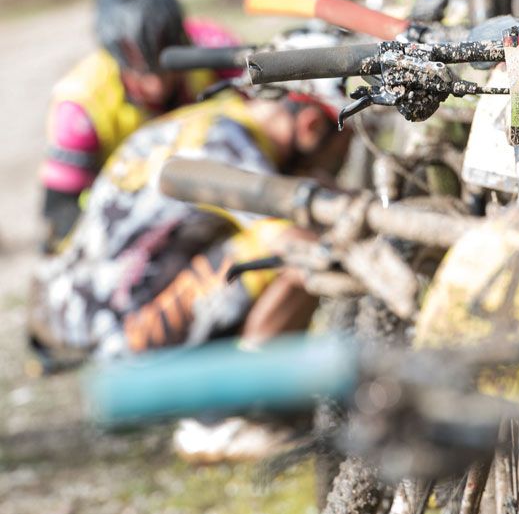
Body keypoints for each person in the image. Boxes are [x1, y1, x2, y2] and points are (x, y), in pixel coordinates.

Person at [30, 86, 351, 364]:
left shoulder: (219, 116)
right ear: (310, 127)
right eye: (338, 157)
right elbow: (292, 240)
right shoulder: (230, 148)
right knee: (303, 254)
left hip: (72, 309)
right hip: (114, 334)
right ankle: (245, 416)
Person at [41, 0, 239, 251]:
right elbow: (59, 214)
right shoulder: (80, 102)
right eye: (141, 74)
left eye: (165, 68)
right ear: (117, 60)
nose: (156, 87)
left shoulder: (208, 44)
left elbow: (275, 109)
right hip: (127, 228)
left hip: (213, 199)